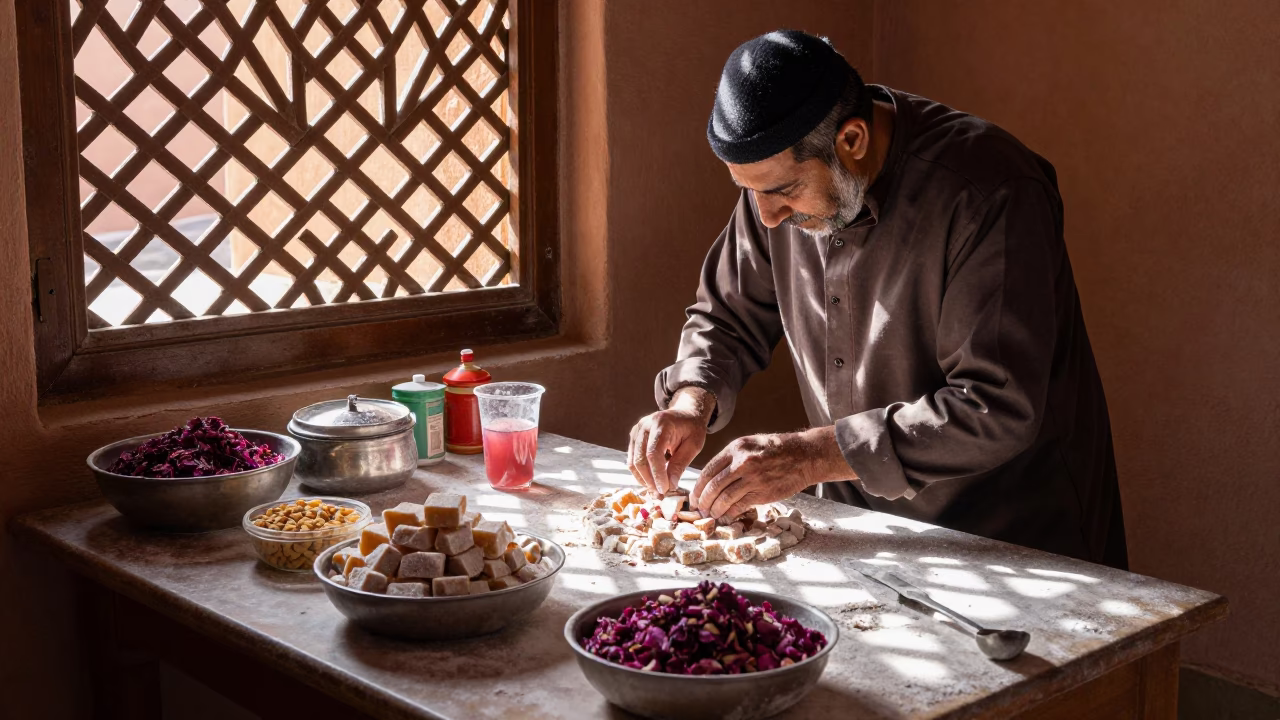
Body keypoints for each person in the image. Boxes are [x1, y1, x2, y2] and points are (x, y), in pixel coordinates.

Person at [626, 30, 1127, 568]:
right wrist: (689, 402)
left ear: (853, 141)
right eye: (749, 191)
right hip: (860, 530)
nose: (766, 217)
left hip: (1013, 537)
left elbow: (996, 405)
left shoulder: (989, 193)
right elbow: (726, 316)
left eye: (782, 192)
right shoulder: (775, 187)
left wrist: (811, 456)